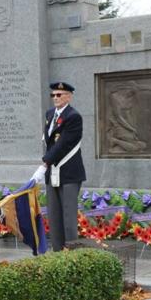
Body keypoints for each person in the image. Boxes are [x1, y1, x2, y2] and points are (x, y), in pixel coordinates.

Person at [32, 81, 85, 251]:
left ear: (68, 96)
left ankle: (71, 254)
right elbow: (49, 142)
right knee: (54, 217)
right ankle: (57, 253)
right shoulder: (50, 115)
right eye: (53, 95)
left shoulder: (73, 116)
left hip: (69, 173)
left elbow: (63, 144)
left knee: (68, 217)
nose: (55, 98)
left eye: (59, 95)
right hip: (53, 172)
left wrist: (44, 163)